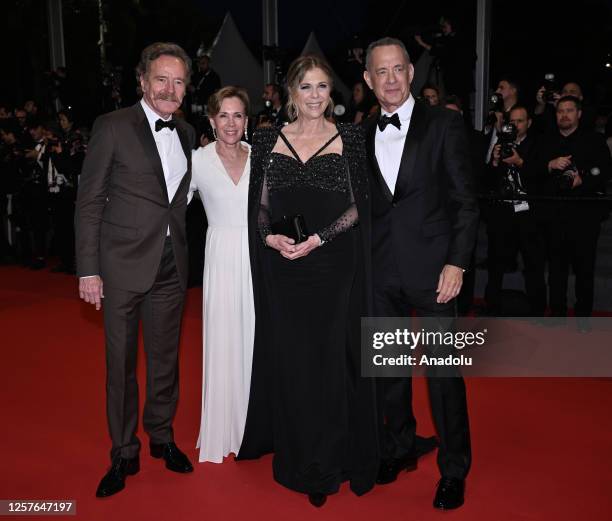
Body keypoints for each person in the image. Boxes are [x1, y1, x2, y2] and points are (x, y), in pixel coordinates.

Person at [240, 54, 378, 507]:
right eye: (306, 88)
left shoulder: (352, 137)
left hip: (333, 264)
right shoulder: (267, 140)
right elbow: (259, 206)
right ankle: (297, 457)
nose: (316, 96)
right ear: (291, 93)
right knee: (293, 360)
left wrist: (320, 238)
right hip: (284, 265)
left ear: (331, 93)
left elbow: (362, 206)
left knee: (328, 361)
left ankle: (327, 463)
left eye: (323, 87)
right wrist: (270, 238)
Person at [75, 42, 196, 498]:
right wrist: (88, 269)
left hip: (171, 264)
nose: (169, 89)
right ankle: (124, 451)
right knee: (121, 365)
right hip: (121, 266)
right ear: (142, 81)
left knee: (166, 361)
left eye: (178, 81)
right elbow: (88, 203)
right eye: (161, 79)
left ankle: (162, 437)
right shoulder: (112, 127)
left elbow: (179, 199)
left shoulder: (186, 132)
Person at [363, 37, 478, 510]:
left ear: (411, 72)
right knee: (388, 373)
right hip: (380, 272)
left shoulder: (445, 125)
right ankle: (401, 445)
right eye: (380, 73)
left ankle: (454, 468)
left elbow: (466, 202)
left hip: (436, 273)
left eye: (397, 70)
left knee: (444, 376)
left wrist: (457, 262)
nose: (390, 80)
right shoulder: (360, 132)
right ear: (368, 81)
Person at [190, 86, 254, 463]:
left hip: (256, 258)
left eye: (238, 115)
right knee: (224, 337)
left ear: (246, 120)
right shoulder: (197, 160)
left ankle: (254, 423)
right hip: (220, 256)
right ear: (212, 120)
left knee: (254, 337)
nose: (231, 123)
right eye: (224, 115)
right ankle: (223, 427)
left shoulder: (260, 156)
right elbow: (170, 204)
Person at [538, 96, 611, 330]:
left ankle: (583, 318)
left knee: (584, 271)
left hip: (584, 217)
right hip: (553, 217)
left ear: (579, 113)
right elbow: (532, 171)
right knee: (556, 271)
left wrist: (584, 179)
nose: (564, 115)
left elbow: (605, 171)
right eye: (560, 111)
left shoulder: (594, 140)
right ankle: (557, 314)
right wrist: (549, 164)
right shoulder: (546, 141)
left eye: (569, 110)